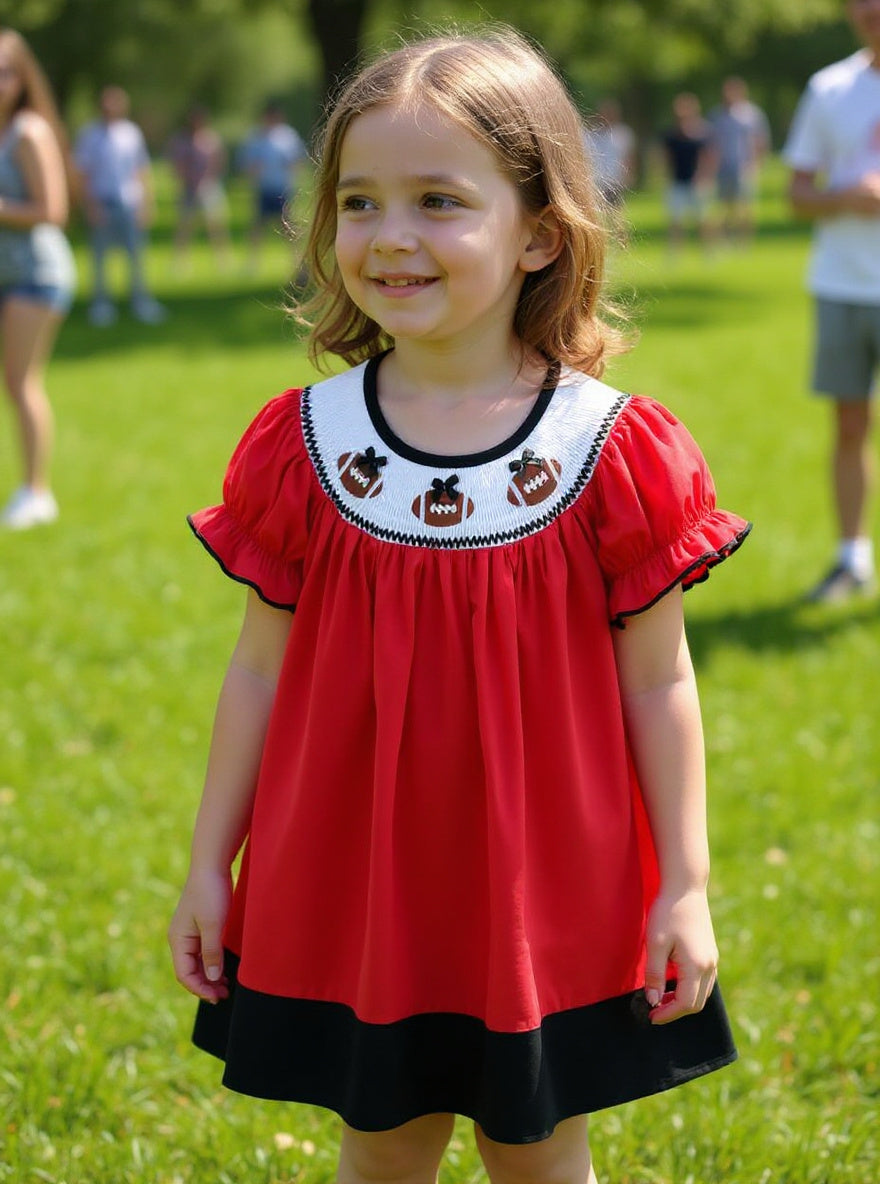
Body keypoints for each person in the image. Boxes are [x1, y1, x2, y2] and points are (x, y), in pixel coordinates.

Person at [168, 28, 749, 1184]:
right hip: (353, 874)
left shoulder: (613, 450)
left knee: (534, 1143)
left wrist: (683, 882)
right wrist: (205, 862)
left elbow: (659, 678)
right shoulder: (304, 445)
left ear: (540, 230)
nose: (390, 237)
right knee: (380, 1142)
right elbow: (258, 670)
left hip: (540, 882)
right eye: (360, 201)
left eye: (439, 201)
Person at [783, 0, 880, 603]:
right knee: (850, 426)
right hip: (843, 285)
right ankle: (852, 559)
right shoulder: (830, 88)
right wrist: (845, 197)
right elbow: (797, 194)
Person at [0, 28, 75, 530]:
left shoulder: (28, 131)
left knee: (21, 382)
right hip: (11, 276)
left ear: (22, 78)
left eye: (5, 71)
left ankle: (37, 491)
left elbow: (53, 209)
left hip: (38, 277)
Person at [74, 85, 166, 326]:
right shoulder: (89, 135)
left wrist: (147, 202)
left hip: (129, 202)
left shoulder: (131, 133)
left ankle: (141, 301)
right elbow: (82, 173)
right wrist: (90, 206)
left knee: (136, 256)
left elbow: (141, 169)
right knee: (100, 258)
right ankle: (101, 304)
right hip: (101, 202)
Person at [238, 99, 306, 271]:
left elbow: (298, 160)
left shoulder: (288, 136)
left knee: (287, 226)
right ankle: (252, 262)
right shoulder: (256, 137)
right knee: (257, 226)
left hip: (282, 188)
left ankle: (297, 262)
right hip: (263, 188)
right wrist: (253, 169)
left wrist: (292, 167)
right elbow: (246, 163)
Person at [167, 105, 231, 270]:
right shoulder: (182, 140)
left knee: (215, 224)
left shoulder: (211, 139)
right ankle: (180, 261)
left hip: (208, 186)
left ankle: (222, 259)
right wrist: (186, 179)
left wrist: (209, 178)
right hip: (188, 187)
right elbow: (177, 165)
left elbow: (219, 161)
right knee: (185, 225)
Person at [708, 77, 770, 242]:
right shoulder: (716, 115)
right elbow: (711, 144)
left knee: (745, 206)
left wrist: (757, 164)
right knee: (724, 206)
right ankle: (726, 237)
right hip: (722, 167)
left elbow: (761, 140)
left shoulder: (752, 114)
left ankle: (744, 241)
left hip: (745, 166)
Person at [661, 92, 717, 252]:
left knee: (703, 219)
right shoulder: (671, 134)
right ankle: (675, 251)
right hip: (677, 181)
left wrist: (706, 177)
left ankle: (708, 251)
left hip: (697, 182)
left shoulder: (703, 133)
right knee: (676, 220)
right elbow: (666, 159)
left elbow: (710, 157)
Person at [584, 97, 636, 207]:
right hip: (596, 180)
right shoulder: (591, 134)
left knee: (615, 212)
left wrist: (629, 175)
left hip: (615, 180)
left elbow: (629, 157)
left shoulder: (622, 134)